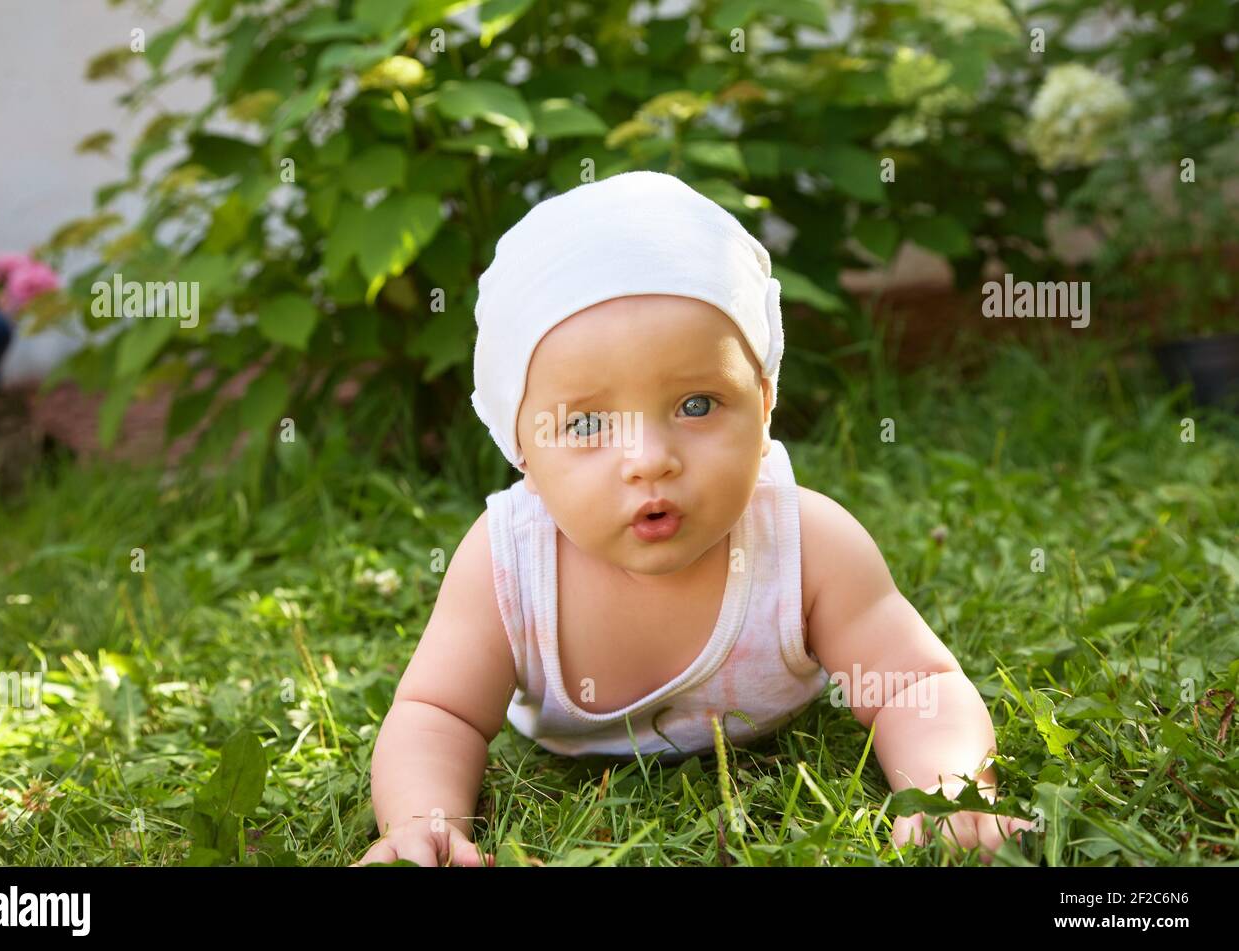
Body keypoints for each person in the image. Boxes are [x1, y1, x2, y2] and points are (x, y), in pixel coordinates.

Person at [354, 171, 1033, 867]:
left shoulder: (808, 545)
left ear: (764, 401)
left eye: (698, 405)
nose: (649, 460)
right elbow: (440, 713)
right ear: (519, 443)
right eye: (586, 422)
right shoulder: (506, 565)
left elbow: (914, 683)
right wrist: (422, 821)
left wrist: (948, 791)